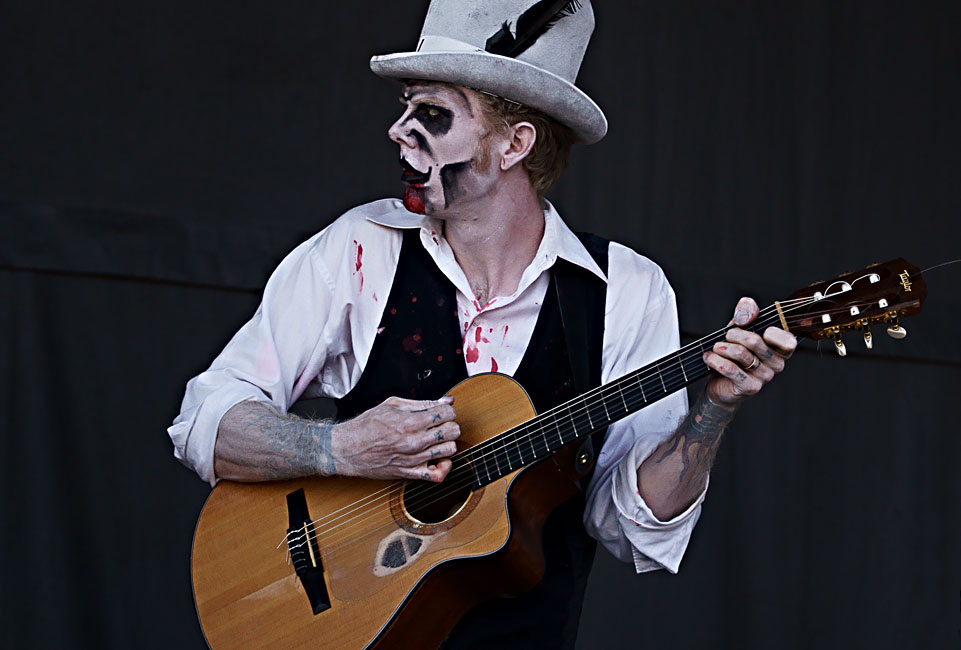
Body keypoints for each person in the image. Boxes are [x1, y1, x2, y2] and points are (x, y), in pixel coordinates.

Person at [168, 1, 796, 647]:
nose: (398, 130)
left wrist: (711, 413)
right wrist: (339, 448)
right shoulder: (361, 250)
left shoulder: (626, 291)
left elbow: (633, 526)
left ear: (514, 144)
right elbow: (207, 422)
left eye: (432, 114)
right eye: (406, 106)